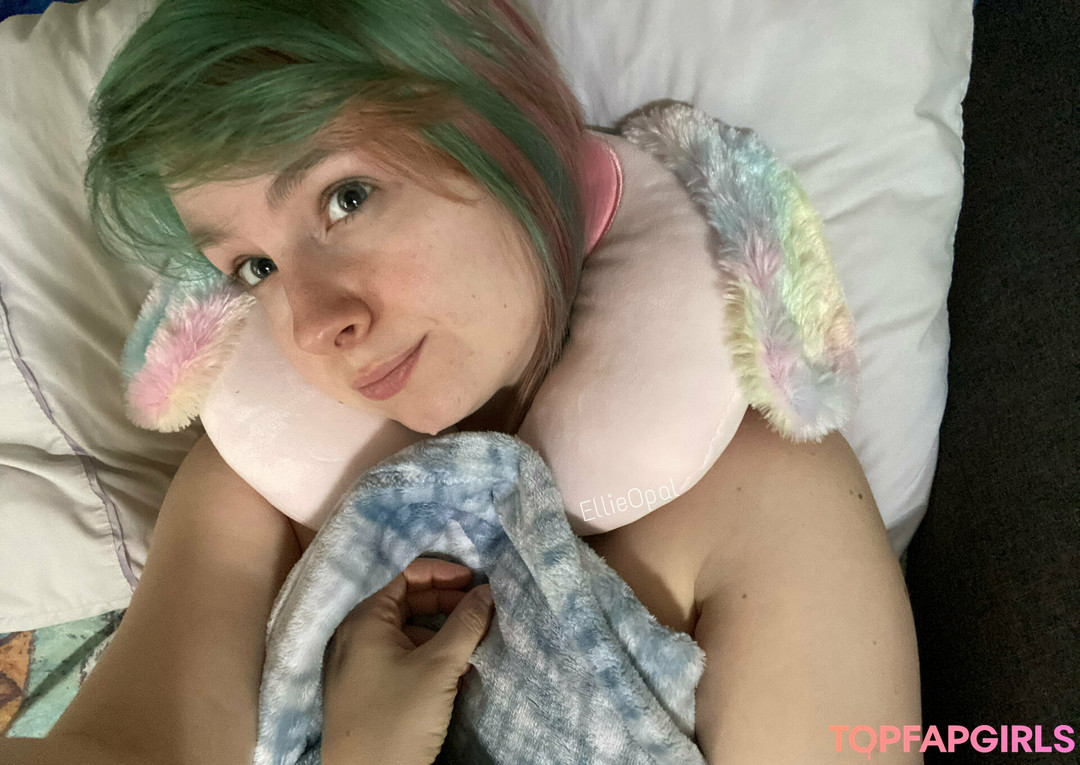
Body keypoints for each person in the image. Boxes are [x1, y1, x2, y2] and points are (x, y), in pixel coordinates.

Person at [0, 0, 922, 763]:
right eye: (255, 267)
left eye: (346, 197)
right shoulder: (249, 491)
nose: (314, 323)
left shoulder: (770, 494)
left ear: (514, 125)